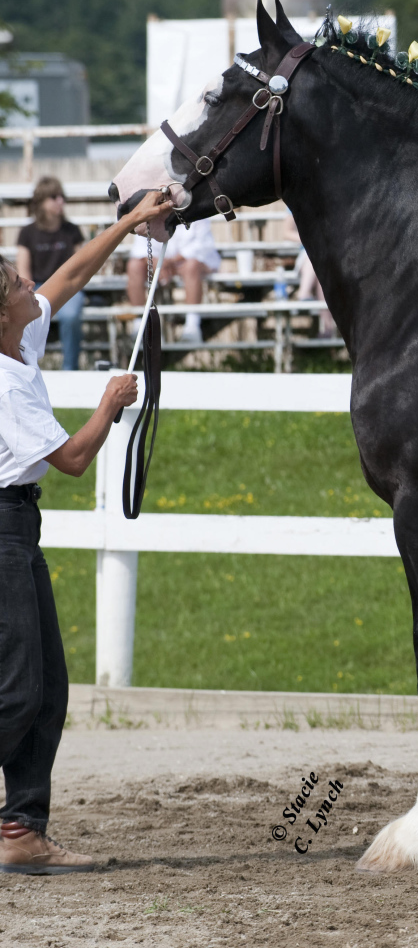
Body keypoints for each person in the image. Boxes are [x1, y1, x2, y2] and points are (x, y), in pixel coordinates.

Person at [0, 189, 169, 875]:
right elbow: (71, 460)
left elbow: (68, 275)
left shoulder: (18, 339)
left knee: (47, 689)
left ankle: (20, 830)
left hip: (18, 527)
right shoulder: (4, 383)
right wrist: (107, 406)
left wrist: (129, 223)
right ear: (2, 312)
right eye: (17, 284)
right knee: (19, 690)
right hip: (3, 530)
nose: (29, 286)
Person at [16, 177, 85, 371]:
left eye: (62, 196)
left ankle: (70, 369)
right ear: (41, 201)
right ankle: (27, 368)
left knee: (71, 316)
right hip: (36, 286)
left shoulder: (72, 230)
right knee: (24, 316)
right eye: (54, 197)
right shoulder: (27, 232)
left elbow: (81, 266)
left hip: (67, 287)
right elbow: (24, 272)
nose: (60, 201)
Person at [126, 217, 220, 343]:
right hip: (160, 263)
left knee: (192, 266)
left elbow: (201, 246)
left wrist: (168, 262)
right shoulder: (149, 213)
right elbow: (140, 248)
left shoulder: (196, 212)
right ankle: (139, 324)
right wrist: (157, 262)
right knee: (134, 266)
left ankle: (192, 326)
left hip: (190, 263)